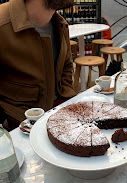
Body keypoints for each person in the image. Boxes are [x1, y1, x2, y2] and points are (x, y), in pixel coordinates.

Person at [0, 0, 77, 130]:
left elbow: (67, 66)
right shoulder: (3, 24)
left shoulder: (60, 23)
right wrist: (3, 121)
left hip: (58, 121)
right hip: (18, 129)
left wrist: (65, 98)